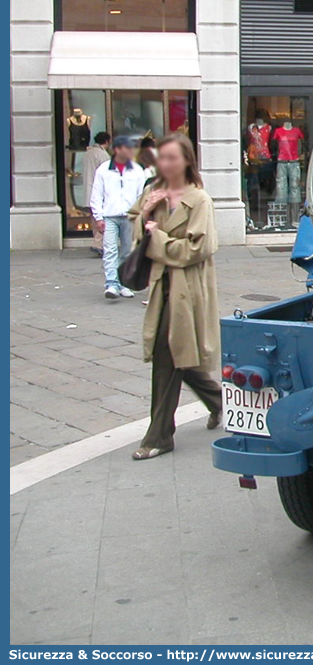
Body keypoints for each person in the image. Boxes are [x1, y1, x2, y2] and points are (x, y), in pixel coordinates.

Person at [128, 134, 222, 460]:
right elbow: (136, 229)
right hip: (160, 286)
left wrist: (158, 238)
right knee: (179, 354)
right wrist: (145, 215)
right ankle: (218, 401)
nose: (165, 164)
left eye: (172, 158)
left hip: (188, 290)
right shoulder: (151, 193)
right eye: (161, 158)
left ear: (186, 161)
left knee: (167, 357)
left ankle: (159, 436)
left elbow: (197, 249)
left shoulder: (199, 201)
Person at [90, 135, 147, 300]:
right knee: (110, 250)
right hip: (110, 215)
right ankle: (111, 283)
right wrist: (98, 217)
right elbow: (97, 194)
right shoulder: (103, 169)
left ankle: (124, 283)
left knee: (127, 251)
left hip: (129, 216)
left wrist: (139, 214)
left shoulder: (136, 170)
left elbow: (141, 194)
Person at [82, 131, 111, 255]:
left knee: (94, 219)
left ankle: (97, 241)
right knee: (101, 218)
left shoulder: (87, 153)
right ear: (107, 141)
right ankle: (98, 243)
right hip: (99, 191)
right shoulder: (103, 156)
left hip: (88, 190)